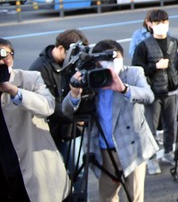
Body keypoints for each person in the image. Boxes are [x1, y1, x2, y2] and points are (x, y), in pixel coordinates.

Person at [62, 40, 158, 202]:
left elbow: (148, 96)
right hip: (104, 150)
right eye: (106, 61)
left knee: (134, 197)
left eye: (115, 59)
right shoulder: (92, 77)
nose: (111, 64)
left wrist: (124, 88)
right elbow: (67, 110)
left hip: (132, 146)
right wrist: (75, 93)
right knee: (107, 197)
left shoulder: (133, 73)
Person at [1, 38, 71, 202]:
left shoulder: (30, 79)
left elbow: (48, 106)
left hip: (33, 169)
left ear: (13, 57)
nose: (1, 62)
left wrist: (13, 90)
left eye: (5, 56)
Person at [132, 8, 178, 175]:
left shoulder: (175, 43)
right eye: (157, 23)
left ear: (168, 23)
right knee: (151, 128)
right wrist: (155, 66)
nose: (161, 25)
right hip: (153, 94)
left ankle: (168, 152)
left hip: (171, 91)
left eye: (164, 22)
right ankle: (152, 158)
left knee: (170, 125)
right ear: (150, 25)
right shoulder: (143, 46)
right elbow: (137, 69)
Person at [29, 28, 89, 172]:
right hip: (53, 130)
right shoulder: (40, 68)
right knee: (60, 172)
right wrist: (74, 116)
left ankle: (74, 193)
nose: (76, 57)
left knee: (79, 170)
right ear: (61, 48)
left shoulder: (73, 63)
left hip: (72, 130)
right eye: (73, 53)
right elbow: (47, 104)